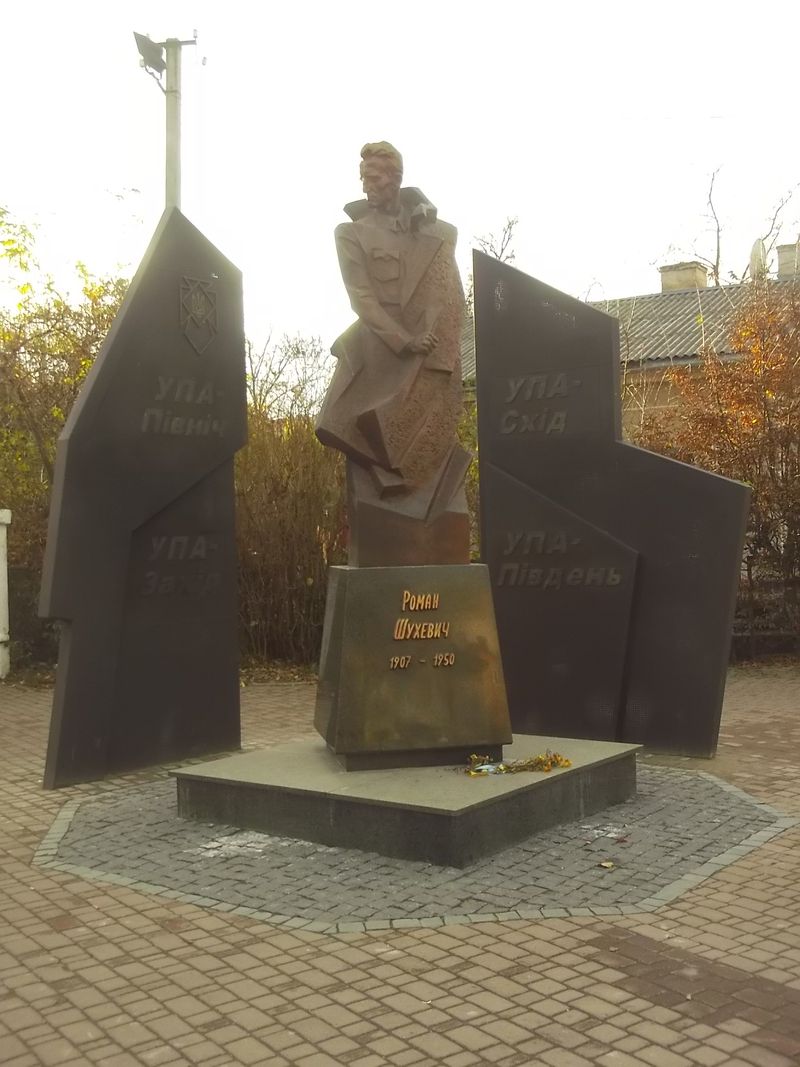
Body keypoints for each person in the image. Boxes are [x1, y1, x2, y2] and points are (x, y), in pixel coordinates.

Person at [316, 142, 470, 566]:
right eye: (364, 177)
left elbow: (448, 290)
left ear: (395, 180)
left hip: (429, 361)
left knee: (421, 448)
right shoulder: (351, 232)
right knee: (363, 433)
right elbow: (361, 299)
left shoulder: (428, 230)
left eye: (376, 177)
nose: (368, 185)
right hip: (379, 356)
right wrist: (403, 340)